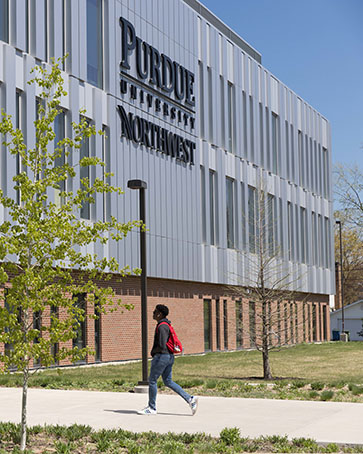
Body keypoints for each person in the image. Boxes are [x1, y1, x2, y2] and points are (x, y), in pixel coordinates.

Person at [137, 304, 198, 415]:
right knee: (168, 381)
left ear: (160, 314)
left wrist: (154, 353)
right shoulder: (167, 325)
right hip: (169, 356)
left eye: (154, 312)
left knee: (152, 381)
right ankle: (190, 399)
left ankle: (151, 408)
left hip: (162, 356)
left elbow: (162, 343)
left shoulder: (161, 326)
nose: (153, 313)